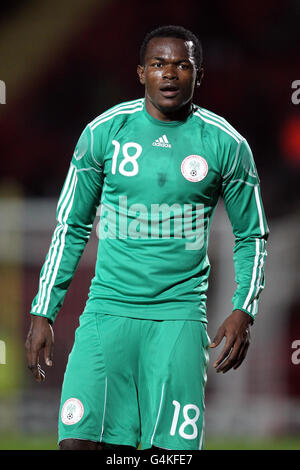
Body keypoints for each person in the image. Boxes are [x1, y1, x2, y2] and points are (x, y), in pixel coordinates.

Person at [25, 25, 269, 451]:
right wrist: (44, 310)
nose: (170, 74)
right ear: (141, 73)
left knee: (169, 457)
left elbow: (252, 234)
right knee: (78, 444)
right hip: (107, 313)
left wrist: (243, 309)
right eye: (159, 65)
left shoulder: (226, 143)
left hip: (177, 318)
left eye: (182, 65)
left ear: (199, 75)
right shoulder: (104, 133)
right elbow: (71, 225)